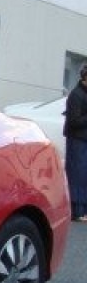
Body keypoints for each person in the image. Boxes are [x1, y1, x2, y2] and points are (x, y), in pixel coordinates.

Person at [64, 64, 87, 222]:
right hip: (77, 140)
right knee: (77, 175)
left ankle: (82, 210)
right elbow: (74, 121)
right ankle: (76, 211)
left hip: (84, 139)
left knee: (83, 175)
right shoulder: (76, 94)